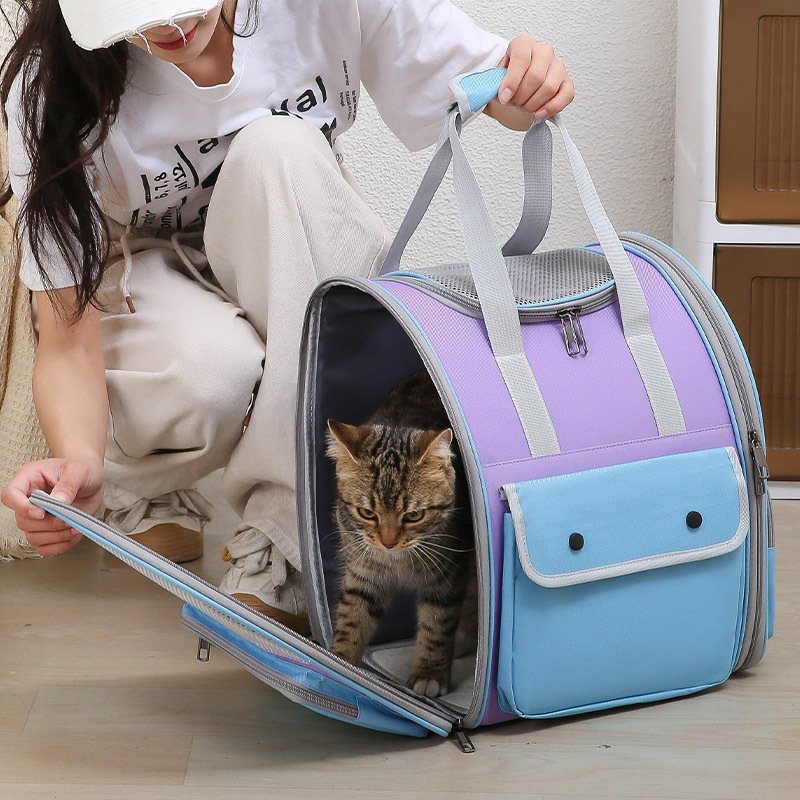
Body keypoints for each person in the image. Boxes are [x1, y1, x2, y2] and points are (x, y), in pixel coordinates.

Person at [0, 0, 574, 633]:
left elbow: (489, 89)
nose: (168, 26)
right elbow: (67, 341)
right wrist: (80, 458)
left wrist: (528, 82)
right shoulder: (48, 83)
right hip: (146, 272)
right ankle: (144, 481)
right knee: (211, 373)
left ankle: (287, 535)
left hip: (290, 231)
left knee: (278, 146)